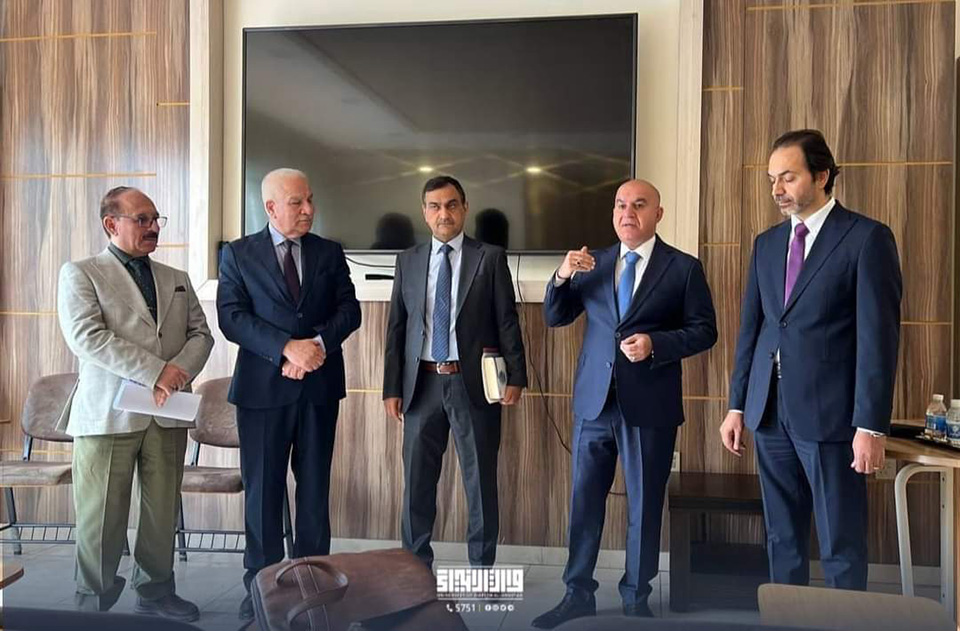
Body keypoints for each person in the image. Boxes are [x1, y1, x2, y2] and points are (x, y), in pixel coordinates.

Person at [720, 129, 902, 590]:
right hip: (768, 413)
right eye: (772, 179)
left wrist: (870, 426)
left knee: (841, 542)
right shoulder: (766, 244)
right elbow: (753, 330)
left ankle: (845, 622)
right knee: (781, 538)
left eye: (788, 177)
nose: (777, 189)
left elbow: (878, 340)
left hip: (832, 417)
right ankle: (787, 620)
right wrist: (737, 405)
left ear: (822, 176)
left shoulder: (866, 239)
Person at [533, 179, 717, 628]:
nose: (627, 213)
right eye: (620, 205)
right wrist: (561, 276)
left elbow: (704, 330)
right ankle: (577, 593)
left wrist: (656, 343)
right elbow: (555, 316)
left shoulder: (683, 268)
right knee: (584, 503)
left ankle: (636, 596)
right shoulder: (592, 263)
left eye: (638, 205)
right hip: (594, 403)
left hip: (650, 406)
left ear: (658, 213)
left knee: (644, 504)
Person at [57, 186, 213, 620]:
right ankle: (92, 600)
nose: (153, 227)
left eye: (156, 219)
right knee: (101, 515)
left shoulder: (176, 277)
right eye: (142, 219)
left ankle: (156, 591)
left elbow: (202, 334)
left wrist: (177, 373)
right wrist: (157, 372)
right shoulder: (81, 273)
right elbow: (87, 337)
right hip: (108, 413)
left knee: (161, 510)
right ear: (111, 224)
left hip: (167, 411)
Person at [217, 168, 361, 620]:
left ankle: (313, 584)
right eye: (297, 202)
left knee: (315, 490)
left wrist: (314, 346)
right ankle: (262, 587)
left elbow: (349, 310)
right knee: (262, 492)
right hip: (261, 391)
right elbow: (231, 317)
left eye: (310, 200)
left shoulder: (329, 252)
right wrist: (285, 347)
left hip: (318, 387)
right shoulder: (238, 254)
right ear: (271, 207)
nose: (308, 210)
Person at [382, 175, 527, 569]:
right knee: (417, 483)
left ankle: (481, 568)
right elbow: (397, 328)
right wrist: (391, 387)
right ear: (424, 212)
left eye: (450, 205)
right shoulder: (408, 260)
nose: (443, 213)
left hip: (472, 384)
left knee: (480, 482)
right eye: (434, 206)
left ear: (464, 208)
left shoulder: (489, 257)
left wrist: (516, 376)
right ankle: (415, 569)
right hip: (421, 385)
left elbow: (507, 320)